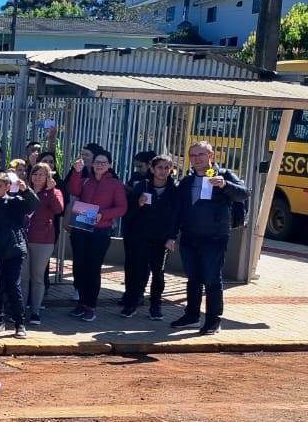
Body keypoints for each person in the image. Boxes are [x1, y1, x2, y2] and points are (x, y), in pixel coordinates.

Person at [168, 141, 248, 335]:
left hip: (214, 237)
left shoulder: (224, 175)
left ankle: (213, 320)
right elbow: (177, 211)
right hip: (189, 236)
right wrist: (172, 235)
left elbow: (244, 194)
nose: (196, 159)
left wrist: (225, 185)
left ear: (211, 156)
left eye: (201, 155)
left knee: (212, 279)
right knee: (193, 278)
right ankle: (192, 315)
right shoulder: (186, 181)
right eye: (193, 155)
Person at [66, 151, 127, 321]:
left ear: (109, 165)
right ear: (92, 164)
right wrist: (77, 172)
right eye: (97, 162)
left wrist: (103, 214)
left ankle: (90, 306)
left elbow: (122, 208)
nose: (100, 165)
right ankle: (81, 304)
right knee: (79, 266)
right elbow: (73, 189)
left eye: (104, 162)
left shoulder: (115, 184)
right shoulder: (87, 180)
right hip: (81, 225)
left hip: (100, 229)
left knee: (93, 269)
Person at [0, 171, 40, 338]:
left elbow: (33, 204)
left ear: (7, 187)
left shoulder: (15, 202)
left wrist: (26, 189)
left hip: (13, 250)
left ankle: (20, 323)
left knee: (13, 286)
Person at [121, 155, 180, 320]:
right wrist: (138, 204)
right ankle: (132, 303)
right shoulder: (142, 186)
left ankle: (156, 305)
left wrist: (172, 237)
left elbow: (176, 216)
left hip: (162, 239)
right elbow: (128, 212)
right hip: (140, 237)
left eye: (167, 168)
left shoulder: (174, 190)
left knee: (158, 273)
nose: (163, 171)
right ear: (152, 169)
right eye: (160, 167)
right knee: (137, 271)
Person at [21, 162, 65, 325]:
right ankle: (21, 309)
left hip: (43, 240)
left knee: (37, 277)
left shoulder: (54, 192)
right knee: (23, 277)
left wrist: (52, 190)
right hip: (24, 239)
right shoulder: (24, 190)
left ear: (48, 177)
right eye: (35, 173)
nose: (37, 177)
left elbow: (59, 210)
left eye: (42, 174)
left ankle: (35, 311)